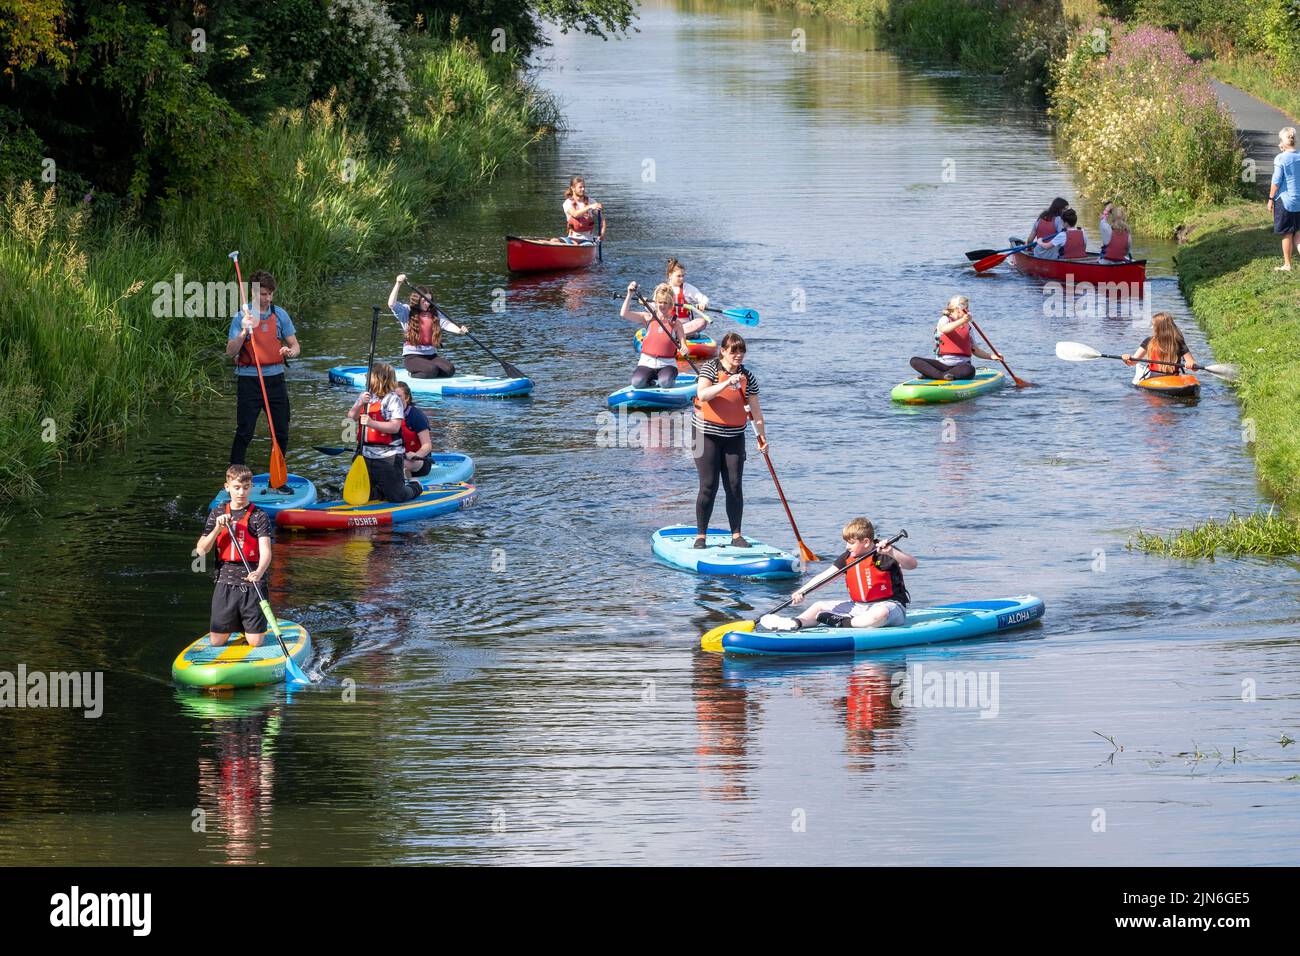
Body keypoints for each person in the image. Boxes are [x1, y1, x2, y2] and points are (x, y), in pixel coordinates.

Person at [761, 517, 917, 632]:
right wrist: (802, 592)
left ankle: (842, 623)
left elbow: (912, 565)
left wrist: (892, 552)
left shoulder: (885, 553)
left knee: (878, 614)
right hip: (858, 607)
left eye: (851, 542)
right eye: (846, 542)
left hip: (890, 606)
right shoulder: (847, 557)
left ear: (867, 542)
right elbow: (825, 577)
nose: (847, 546)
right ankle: (795, 623)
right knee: (819, 606)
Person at [692, 332, 765, 549]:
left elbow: (756, 411)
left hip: (734, 436)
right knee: (709, 485)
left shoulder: (748, 377)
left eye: (742, 350)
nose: (738, 355)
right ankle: (701, 536)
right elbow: (703, 394)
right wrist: (726, 383)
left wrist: (762, 437)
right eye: (734, 351)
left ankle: (736, 535)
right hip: (705, 435)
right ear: (723, 351)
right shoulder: (710, 369)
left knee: (734, 485)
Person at [226, 270, 300, 466]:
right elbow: (230, 352)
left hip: (275, 381)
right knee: (245, 431)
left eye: (270, 294)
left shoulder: (279, 314)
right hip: (249, 381)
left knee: (281, 432)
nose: (267, 298)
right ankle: (235, 477)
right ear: (253, 293)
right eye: (263, 294)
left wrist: (290, 352)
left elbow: (296, 346)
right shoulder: (242, 316)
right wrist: (243, 331)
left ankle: (277, 479)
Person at [196, 465, 275, 648]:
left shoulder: (259, 516)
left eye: (246, 488)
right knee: (216, 642)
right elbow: (201, 550)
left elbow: (266, 551)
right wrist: (217, 528)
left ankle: (250, 628)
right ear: (227, 487)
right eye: (236, 487)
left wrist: (260, 571)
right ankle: (239, 624)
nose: (241, 492)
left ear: (251, 487)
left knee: (255, 643)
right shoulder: (217, 513)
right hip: (225, 578)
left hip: (252, 579)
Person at [345, 363, 422, 503]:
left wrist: (371, 423)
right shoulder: (365, 396)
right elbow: (351, 417)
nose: (366, 379)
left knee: (397, 496)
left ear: (380, 379)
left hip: (388, 456)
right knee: (370, 495)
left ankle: (415, 486)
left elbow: (394, 427)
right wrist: (359, 403)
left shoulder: (393, 400)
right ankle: (379, 491)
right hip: (365, 454)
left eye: (369, 376)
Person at [621, 281, 706, 388]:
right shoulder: (647, 318)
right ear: (656, 303)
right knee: (637, 383)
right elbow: (624, 314)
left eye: (666, 303)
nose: (662, 305)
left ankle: (667, 381)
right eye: (660, 302)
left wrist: (684, 349)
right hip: (646, 363)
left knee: (665, 383)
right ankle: (649, 382)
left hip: (667, 364)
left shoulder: (676, 323)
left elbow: (684, 345)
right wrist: (629, 294)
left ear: (671, 304)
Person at [387, 275, 467, 379]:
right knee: (431, 370)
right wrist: (398, 283)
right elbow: (391, 304)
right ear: (417, 300)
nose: (427, 304)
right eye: (424, 301)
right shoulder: (407, 311)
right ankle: (412, 374)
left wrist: (459, 331)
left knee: (449, 370)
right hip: (412, 357)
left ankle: (429, 372)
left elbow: (446, 324)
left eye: (429, 301)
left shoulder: (434, 313)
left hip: (431, 356)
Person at [908, 295, 1002, 381]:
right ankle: (941, 376)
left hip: (961, 367)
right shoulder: (945, 319)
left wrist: (992, 356)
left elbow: (975, 350)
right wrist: (962, 320)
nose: (968, 311)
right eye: (966, 308)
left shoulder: (968, 326)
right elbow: (944, 329)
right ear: (958, 309)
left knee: (970, 369)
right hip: (942, 365)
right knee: (914, 360)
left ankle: (932, 375)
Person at [1123, 311, 1198, 380]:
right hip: (1153, 378)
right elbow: (1132, 362)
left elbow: (1194, 366)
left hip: (1173, 378)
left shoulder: (1178, 342)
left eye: (1153, 325)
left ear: (1159, 328)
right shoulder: (1149, 341)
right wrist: (1126, 359)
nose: (1152, 328)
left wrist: (1192, 364)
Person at [1269, 126, 1300, 271]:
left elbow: (1276, 181)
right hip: (1299, 200)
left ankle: (1287, 264)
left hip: (1285, 201)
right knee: (1298, 233)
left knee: (1287, 233)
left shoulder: (1280, 158)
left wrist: (1270, 199)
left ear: (1282, 142)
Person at [395, 382, 434, 479]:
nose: (395, 400)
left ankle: (406, 479)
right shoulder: (387, 415)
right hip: (397, 457)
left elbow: (427, 445)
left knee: (400, 464)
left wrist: (416, 455)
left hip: (419, 461)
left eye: (398, 396)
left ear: (407, 398)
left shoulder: (416, 416)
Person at [665, 257, 710, 323]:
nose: (682, 279)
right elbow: (653, 305)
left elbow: (704, 298)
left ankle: (678, 332)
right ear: (670, 275)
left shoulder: (687, 288)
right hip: (668, 323)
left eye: (683, 276)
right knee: (644, 315)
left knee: (702, 322)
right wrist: (646, 302)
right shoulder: (663, 288)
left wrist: (702, 304)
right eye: (679, 276)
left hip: (685, 324)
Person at [563, 176, 605, 243]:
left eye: (584, 187)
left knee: (579, 245)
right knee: (553, 240)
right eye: (580, 187)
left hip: (587, 240)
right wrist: (590, 207)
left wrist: (602, 234)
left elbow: (602, 219)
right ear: (573, 188)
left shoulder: (591, 201)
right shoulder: (567, 203)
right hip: (571, 239)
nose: (583, 189)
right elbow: (575, 214)